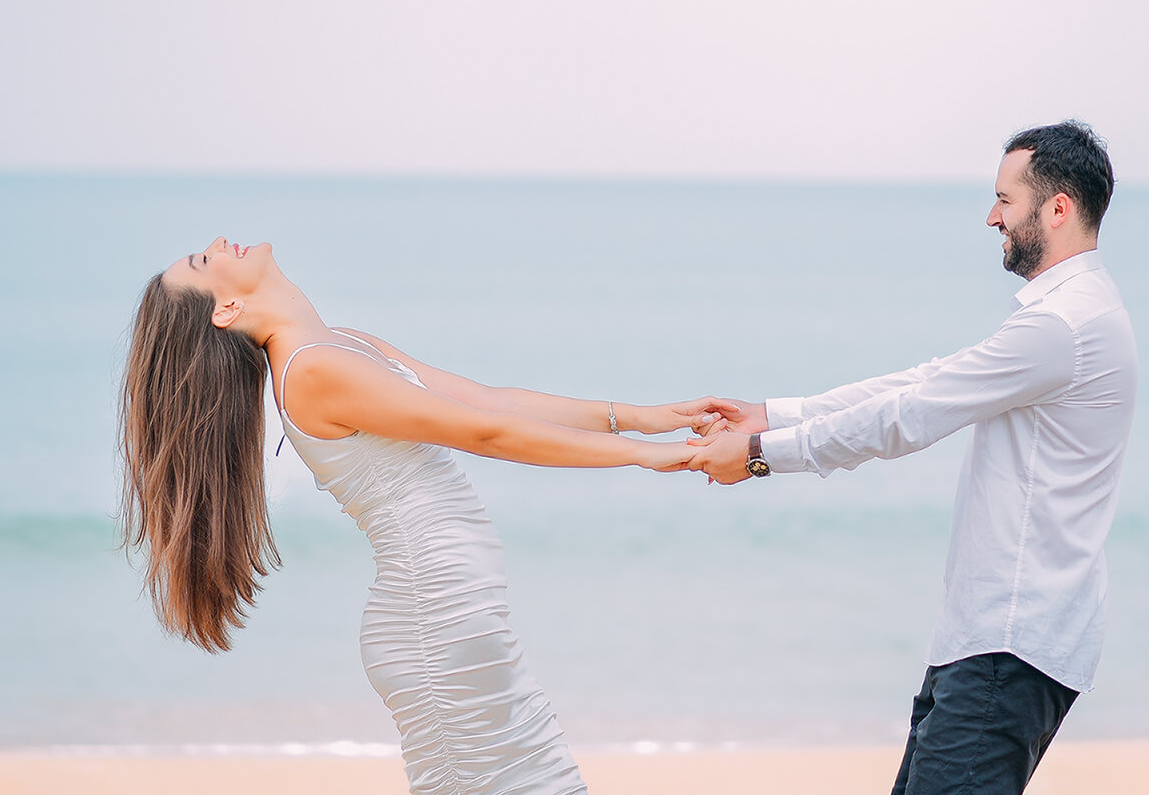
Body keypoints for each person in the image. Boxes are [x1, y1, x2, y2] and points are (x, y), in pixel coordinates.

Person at [118, 237, 713, 795]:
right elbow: (488, 432)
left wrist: (646, 417)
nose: (220, 243)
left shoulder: (341, 345)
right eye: (202, 259)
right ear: (225, 308)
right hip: (434, 624)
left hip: (455, 617)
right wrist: (648, 458)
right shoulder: (314, 371)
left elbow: (490, 401)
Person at [686, 121, 1138, 795]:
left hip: (1007, 646)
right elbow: (923, 382)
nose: (992, 217)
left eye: (1006, 200)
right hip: (989, 643)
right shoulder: (1065, 318)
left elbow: (908, 418)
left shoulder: (1060, 328)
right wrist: (774, 415)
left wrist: (757, 456)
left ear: (1059, 208)